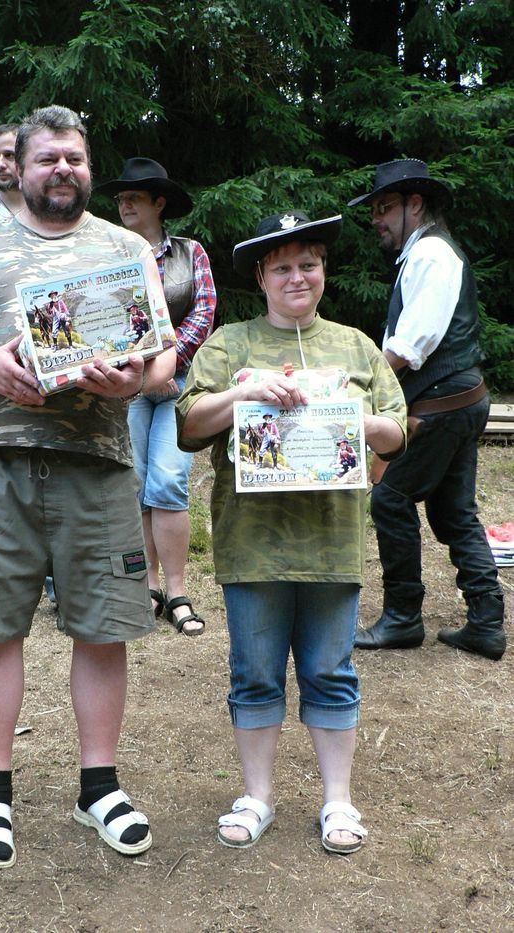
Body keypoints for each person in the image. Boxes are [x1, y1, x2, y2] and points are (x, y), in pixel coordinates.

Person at [0, 105, 176, 869]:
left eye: (76, 159)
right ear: (18, 169)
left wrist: (135, 377)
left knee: (103, 628)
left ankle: (100, 788)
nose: (64, 169)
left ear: (89, 169)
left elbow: (161, 356)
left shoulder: (125, 247)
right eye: (49, 158)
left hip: (98, 464)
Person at [176, 211, 406, 853]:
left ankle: (338, 801)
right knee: (254, 672)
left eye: (309, 264)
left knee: (331, 670)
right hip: (252, 542)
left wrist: (353, 417)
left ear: (324, 270)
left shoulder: (356, 347)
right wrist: (246, 395)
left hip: (332, 541)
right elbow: (189, 424)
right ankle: (258, 797)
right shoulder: (230, 345)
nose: (297, 277)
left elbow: (397, 430)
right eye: (282, 268)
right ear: (261, 277)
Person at [348, 159, 506, 660]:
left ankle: (402, 617)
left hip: (442, 403)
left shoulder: (431, 253)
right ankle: (486, 621)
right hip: (459, 399)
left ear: (414, 204)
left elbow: (412, 342)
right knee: (453, 510)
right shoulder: (424, 253)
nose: (377, 218)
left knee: (390, 498)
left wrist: (360, 386)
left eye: (384, 208)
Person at [94, 158, 216, 635]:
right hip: (126, 388)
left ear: (159, 203)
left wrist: (166, 364)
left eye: (134, 198)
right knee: (137, 482)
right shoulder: (108, 257)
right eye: (120, 198)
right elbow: (101, 323)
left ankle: (178, 591)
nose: (124, 204)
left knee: (168, 482)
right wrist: (142, 374)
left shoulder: (191, 252)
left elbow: (203, 314)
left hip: (181, 384)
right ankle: (147, 587)